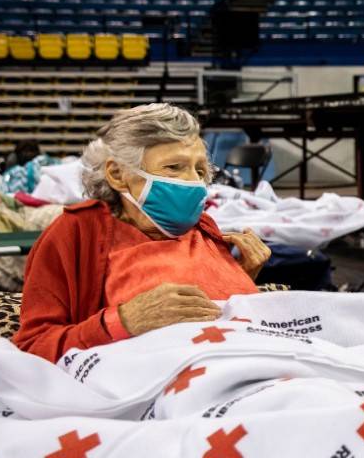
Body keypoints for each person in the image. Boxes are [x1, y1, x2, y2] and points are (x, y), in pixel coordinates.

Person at [14, 103, 271, 362]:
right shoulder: (75, 235)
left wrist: (240, 275)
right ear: (117, 174)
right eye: (174, 167)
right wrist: (123, 320)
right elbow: (32, 348)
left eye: (200, 170)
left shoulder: (203, 229)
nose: (193, 181)